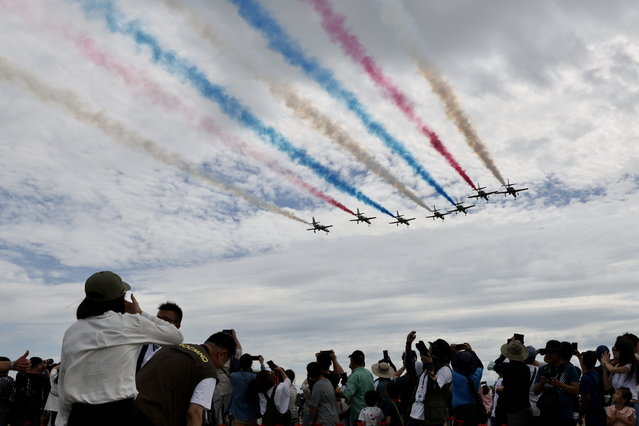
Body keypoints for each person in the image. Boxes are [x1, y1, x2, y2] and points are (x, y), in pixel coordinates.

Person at [56, 271, 184, 426]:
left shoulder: (73, 330)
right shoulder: (130, 323)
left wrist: (63, 419)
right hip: (120, 413)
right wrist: (140, 313)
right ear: (119, 299)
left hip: (80, 415)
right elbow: (176, 336)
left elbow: (64, 376)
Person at [136, 331, 237, 426]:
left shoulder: (170, 348)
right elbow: (194, 414)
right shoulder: (207, 369)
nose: (221, 366)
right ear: (222, 354)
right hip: (153, 419)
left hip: (129, 408)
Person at [405, 332, 452, 426]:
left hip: (431, 418)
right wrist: (408, 344)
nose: (428, 353)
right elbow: (409, 366)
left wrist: (430, 366)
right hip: (414, 415)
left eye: (430, 351)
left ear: (436, 354)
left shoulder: (445, 370)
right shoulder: (425, 367)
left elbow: (433, 387)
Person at [533, 340, 579, 426]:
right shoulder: (543, 369)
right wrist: (542, 383)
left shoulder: (569, 368)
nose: (548, 355)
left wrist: (560, 385)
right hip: (546, 414)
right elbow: (536, 391)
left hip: (564, 415)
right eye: (547, 352)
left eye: (552, 352)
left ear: (559, 354)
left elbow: (576, 390)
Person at [492, 340, 533, 426]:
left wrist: (504, 354)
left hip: (510, 408)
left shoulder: (506, 367)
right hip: (524, 406)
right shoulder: (526, 369)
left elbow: (493, 365)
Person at [137, 301, 184, 370]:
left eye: (165, 319)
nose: (159, 322)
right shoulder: (140, 345)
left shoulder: (180, 354)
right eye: (158, 319)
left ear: (177, 326)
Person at [602, 340, 639, 425]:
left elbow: (612, 369)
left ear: (622, 352)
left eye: (615, 350)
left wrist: (606, 362)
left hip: (630, 402)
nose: (613, 352)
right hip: (616, 403)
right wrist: (604, 369)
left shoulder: (631, 365)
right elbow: (607, 387)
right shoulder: (616, 366)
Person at [450, 344, 485, 426]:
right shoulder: (477, 374)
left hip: (460, 411)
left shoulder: (454, 375)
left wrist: (453, 352)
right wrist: (471, 351)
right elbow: (480, 365)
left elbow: (450, 365)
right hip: (474, 409)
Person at [13, 356, 50, 426]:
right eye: (41, 364)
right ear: (39, 365)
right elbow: (47, 391)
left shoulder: (20, 375)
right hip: (36, 408)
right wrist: (45, 369)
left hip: (19, 406)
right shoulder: (43, 378)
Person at [228, 354, 264, 426]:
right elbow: (264, 376)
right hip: (252, 415)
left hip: (238, 415)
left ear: (240, 363)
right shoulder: (255, 377)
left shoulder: (233, 376)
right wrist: (262, 364)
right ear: (251, 364)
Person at [341, 350, 374, 424]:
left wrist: (334, 392)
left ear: (352, 361)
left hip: (359, 415)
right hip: (371, 413)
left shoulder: (354, 375)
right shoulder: (369, 373)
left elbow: (346, 394)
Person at [306, 361, 339, 426]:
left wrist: (312, 421)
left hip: (324, 420)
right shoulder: (328, 382)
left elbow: (313, 407)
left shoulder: (317, 385)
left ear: (310, 374)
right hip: (334, 418)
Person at [578, 350, 605, 426]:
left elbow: (586, 398)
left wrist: (581, 413)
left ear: (583, 361)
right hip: (599, 407)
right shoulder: (596, 374)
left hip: (591, 410)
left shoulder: (585, 378)